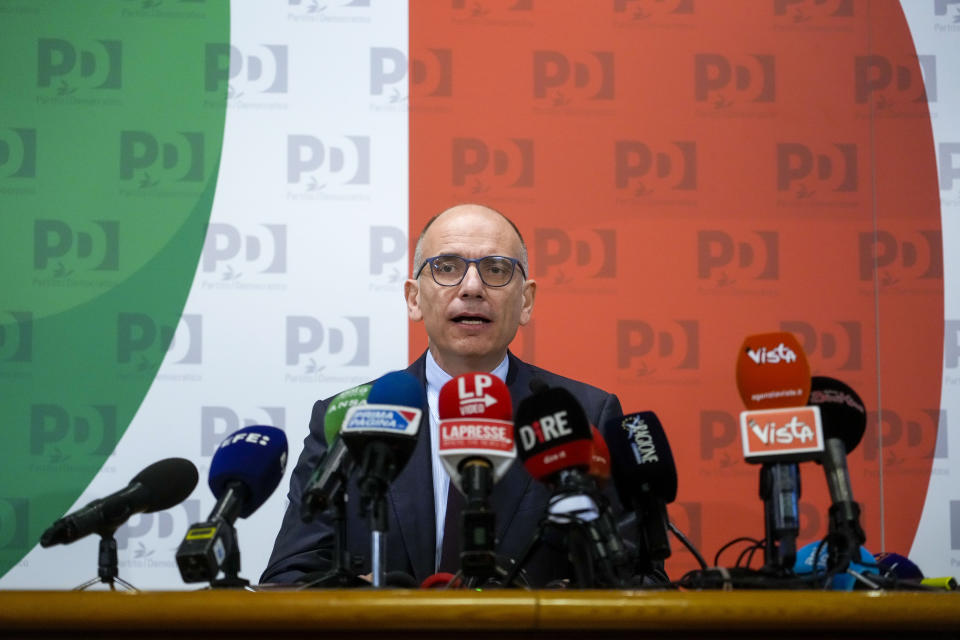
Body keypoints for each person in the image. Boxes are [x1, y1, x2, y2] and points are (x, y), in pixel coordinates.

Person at [261, 204, 623, 587]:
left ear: (526, 301)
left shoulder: (584, 417)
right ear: (414, 299)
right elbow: (289, 575)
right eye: (447, 267)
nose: (471, 288)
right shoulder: (351, 416)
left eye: (496, 269)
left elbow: (630, 581)